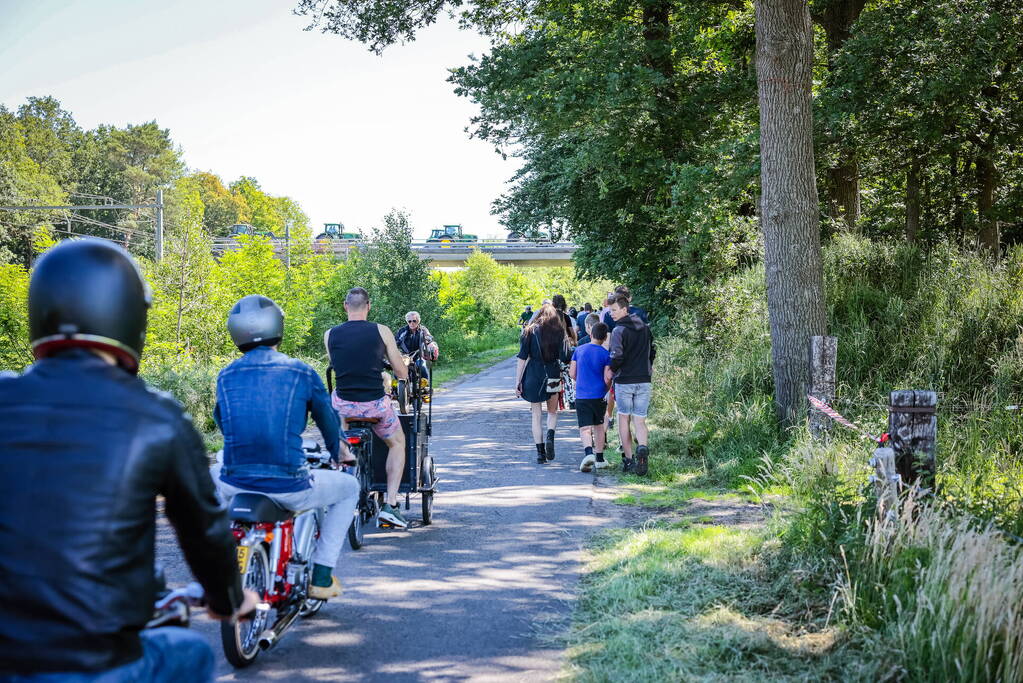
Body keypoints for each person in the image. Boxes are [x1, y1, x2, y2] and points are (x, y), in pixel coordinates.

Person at [0, 240, 257, 682]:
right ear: (129, 315)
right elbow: (205, 526)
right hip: (93, 661)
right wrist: (229, 599)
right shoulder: (156, 415)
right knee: (190, 653)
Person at [212, 294, 360, 600]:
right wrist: (342, 453)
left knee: (214, 469)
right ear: (277, 327)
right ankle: (321, 576)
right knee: (348, 488)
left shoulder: (225, 376)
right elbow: (329, 425)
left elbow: (225, 424)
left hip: (233, 481)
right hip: (287, 483)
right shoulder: (301, 372)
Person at [325, 287, 410, 528]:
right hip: (375, 406)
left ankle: (339, 489)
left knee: (338, 435)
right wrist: (399, 374)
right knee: (397, 443)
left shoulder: (330, 334)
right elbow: (400, 371)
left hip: (343, 406)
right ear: (369, 306)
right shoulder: (381, 331)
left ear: (345, 306)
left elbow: (337, 365)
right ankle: (391, 504)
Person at [515, 303, 571, 463]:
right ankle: (550, 436)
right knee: (552, 412)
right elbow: (565, 356)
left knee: (536, 414)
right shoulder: (559, 332)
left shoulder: (529, 331)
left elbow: (522, 357)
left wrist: (517, 381)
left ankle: (540, 453)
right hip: (552, 373)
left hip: (533, 375)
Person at [608, 293, 656, 475]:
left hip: (625, 380)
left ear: (624, 309)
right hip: (644, 379)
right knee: (640, 420)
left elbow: (617, 356)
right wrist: (649, 368)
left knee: (623, 418)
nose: (611, 314)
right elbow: (652, 351)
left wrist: (611, 369)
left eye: (614, 310)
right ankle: (642, 448)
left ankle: (629, 460)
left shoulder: (619, 331)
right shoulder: (645, 328)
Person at [570, 322, 612, 472]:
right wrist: (606, 388)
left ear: (591, 334)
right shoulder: (606, 354)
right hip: (598, 395)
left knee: (585, 428)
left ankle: (588, 453)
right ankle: (599, 458)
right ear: (605, 337)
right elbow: (607, 378)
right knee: (599, 426)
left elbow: (572, 373)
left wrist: (581, 381)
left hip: (582, 394)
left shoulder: (579, 350)